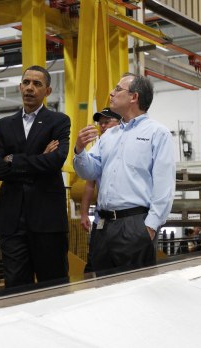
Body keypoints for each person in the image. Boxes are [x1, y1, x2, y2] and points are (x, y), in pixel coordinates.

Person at [73, 72, 175, 272]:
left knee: (134, 291)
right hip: (103, 225)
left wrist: (150, 227)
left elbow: (164, 186)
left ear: (134, 97)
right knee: (99, 286)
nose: (111, 93)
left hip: (135, 225)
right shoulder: (109, 135)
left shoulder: (157, 133)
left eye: (118, 89)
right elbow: (88, 172)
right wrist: (79, 150)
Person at [0, 65, 71, 289]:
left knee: (54, 286)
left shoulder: (59, 122)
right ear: (19, 86)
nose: (30, 88)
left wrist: (13, 160)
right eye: (26, 83)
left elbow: (55, 161)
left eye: (37, 84)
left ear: (48, 91)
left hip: (47, 221)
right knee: (15, 288)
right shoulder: (3, 125)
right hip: (12, 222)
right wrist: (38, 159)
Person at [80, 108, 121, 273]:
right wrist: (84, 214)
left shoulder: (126, 144)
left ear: (119, 122)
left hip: (126, 219)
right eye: (101, 123)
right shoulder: (97, 148)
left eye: (107, 122)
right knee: (95, 264)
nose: (103, 126)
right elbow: (89, 184)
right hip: (101, 219)